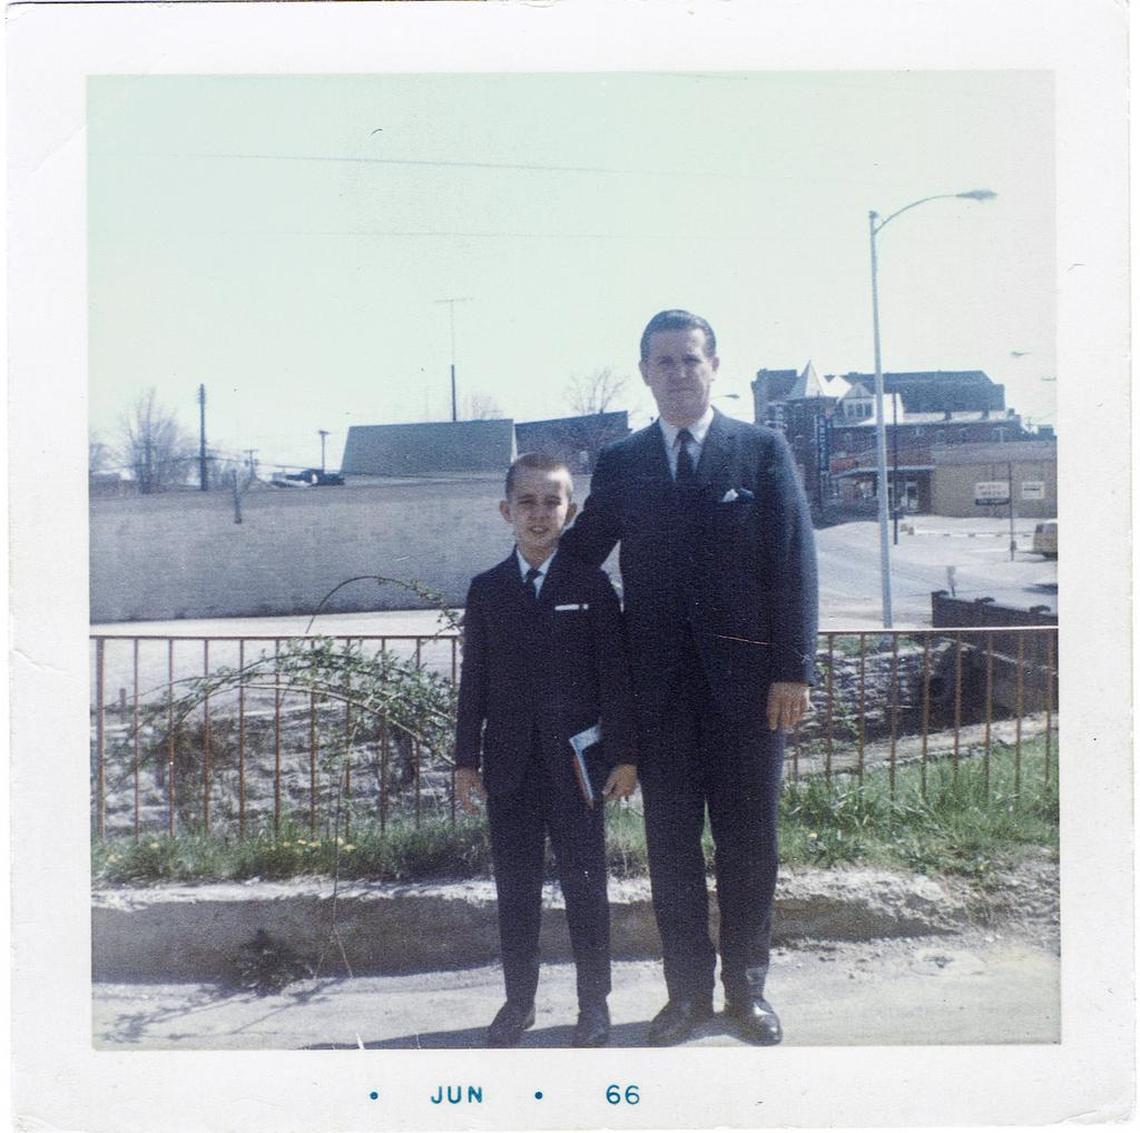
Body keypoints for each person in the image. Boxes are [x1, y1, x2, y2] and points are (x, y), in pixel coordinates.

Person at [560, 309, 818, 1046]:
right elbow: (581, 552)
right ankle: (686, 997)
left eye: (690, 359)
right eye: (663, 361)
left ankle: (748, 993)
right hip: (659, 698)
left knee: (749, 846)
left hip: (749, 696)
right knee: (671, 851)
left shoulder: (761, 451)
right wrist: (524, 554)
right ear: (645, 372)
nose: (678, 373)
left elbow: (794, 565)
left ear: (714, 367)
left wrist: (791, 670)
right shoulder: (623, 461)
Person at [455, 452, 639, 1049]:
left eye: (552, 501)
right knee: (516, 889)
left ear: (571, 510)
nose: (539, 514)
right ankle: (519, 1002)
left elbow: (616, 679)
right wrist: (465, 762)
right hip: (509, 770)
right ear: (506, 511)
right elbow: (473, 683)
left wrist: (626, 757)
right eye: (527, 502)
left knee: (587, 887)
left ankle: (594, 1005)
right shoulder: (487, 591)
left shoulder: (591, 586)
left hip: (578, 771)